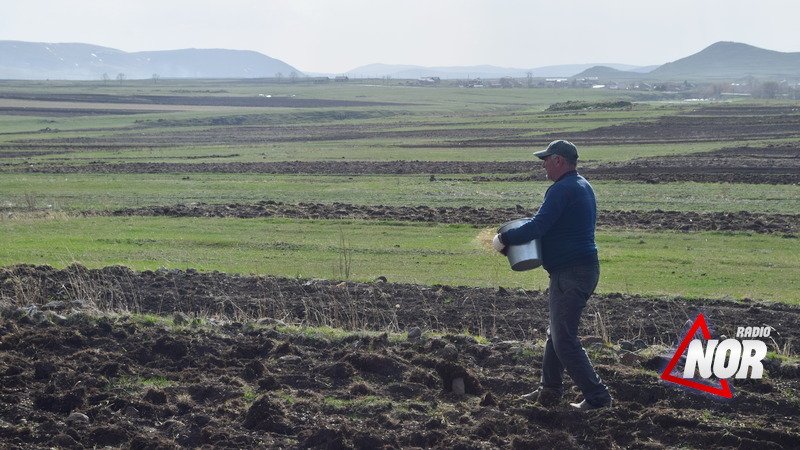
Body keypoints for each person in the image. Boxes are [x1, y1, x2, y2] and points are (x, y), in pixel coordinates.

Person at [492, 140, 613, 410]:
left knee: (564, 339)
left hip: (571, 273)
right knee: (556, 334)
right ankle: (549, 390)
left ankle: (598, 398)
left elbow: (538, 226)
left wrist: (504, 238)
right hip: (580, 269)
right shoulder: (582, 185)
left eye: (546, 159)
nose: (543, 164)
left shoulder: (562, 189)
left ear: (559, 160)